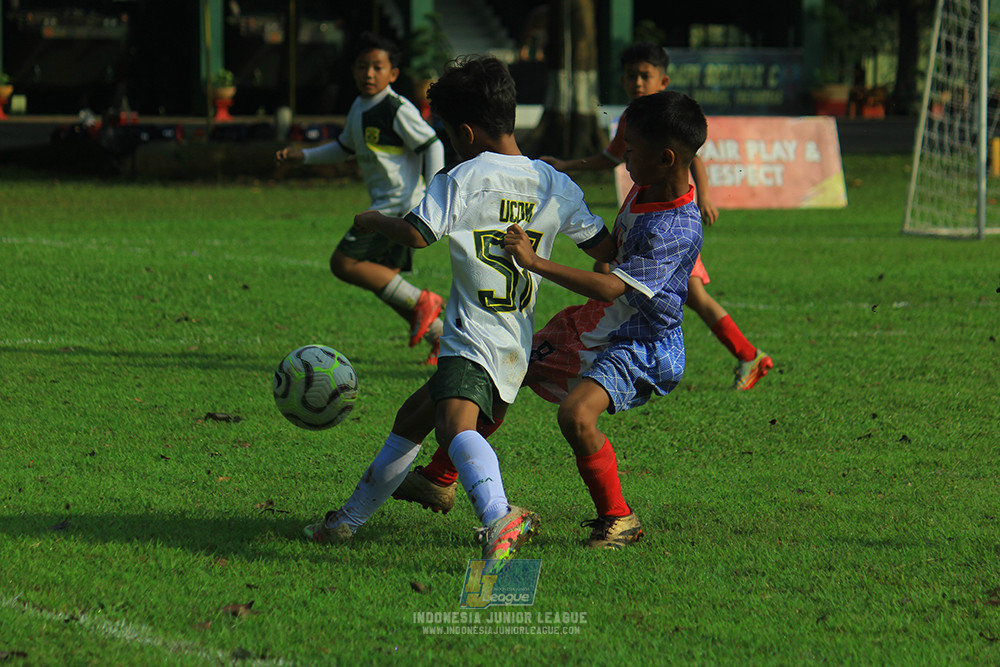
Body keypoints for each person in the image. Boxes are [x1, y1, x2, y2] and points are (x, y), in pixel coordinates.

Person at [302, 56, 615, 565]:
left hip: (472, 337)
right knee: (413, 418)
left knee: (452, 427)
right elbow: (605, 250)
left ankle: (498, 516)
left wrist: (375, 219)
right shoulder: (555, 184)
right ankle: (346, 522)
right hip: (515, 341)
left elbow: (416, 235)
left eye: (448, 132)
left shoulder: (463, 177)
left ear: (465, 132)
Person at [396, 90, 707, 550]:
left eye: (632, 152)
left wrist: (535, 262)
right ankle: (439, 478)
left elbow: (610, 286)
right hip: (598, 321)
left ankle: (620, 519)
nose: (624, 161)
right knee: (507, 368)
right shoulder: (649, 185)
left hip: (642, 343)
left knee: (577, 416)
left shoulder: (677, 227)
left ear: (665, 158)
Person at [541, 42, 773, 390]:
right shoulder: (632, 122)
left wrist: (704, 197)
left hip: (665, 231)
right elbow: (611, 158)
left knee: (691, 297)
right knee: (655, 291)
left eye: (644, 76)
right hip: (647, 225)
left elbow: (692, 158)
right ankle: (744, 353)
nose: (637, 82)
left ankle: (747, 353)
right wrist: (567, 166)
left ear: (662, 80)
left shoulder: (668, 119)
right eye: (631, 76)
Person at [276, 33, 446, 365]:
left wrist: (434, 193)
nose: (369, 74)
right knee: (385, 281)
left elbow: (432, 144)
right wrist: (305, 158)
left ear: (393, 74)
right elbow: (344, 147)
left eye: (378, 67)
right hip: (392, 204)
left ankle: (425, 300)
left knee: (343, 263)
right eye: (362, 66)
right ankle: (441, 339)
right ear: (353, 70)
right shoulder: (359, 106)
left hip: (397, 206)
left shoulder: (395, 108)